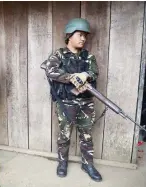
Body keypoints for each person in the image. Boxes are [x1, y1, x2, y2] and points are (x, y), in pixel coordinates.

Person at [41, 18, 102, 182]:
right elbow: (50, 70)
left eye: (85, 36)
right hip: (65, 102)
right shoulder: (59, 54)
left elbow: (95, 72)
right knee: (64, 135)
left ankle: (87, 164)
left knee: (87, 135)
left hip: (86, 102)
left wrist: (86, 75)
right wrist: (72, 77)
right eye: (80, 34)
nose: (83, 38)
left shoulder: (88, 56)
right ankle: (62, 162)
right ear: (69, 35)